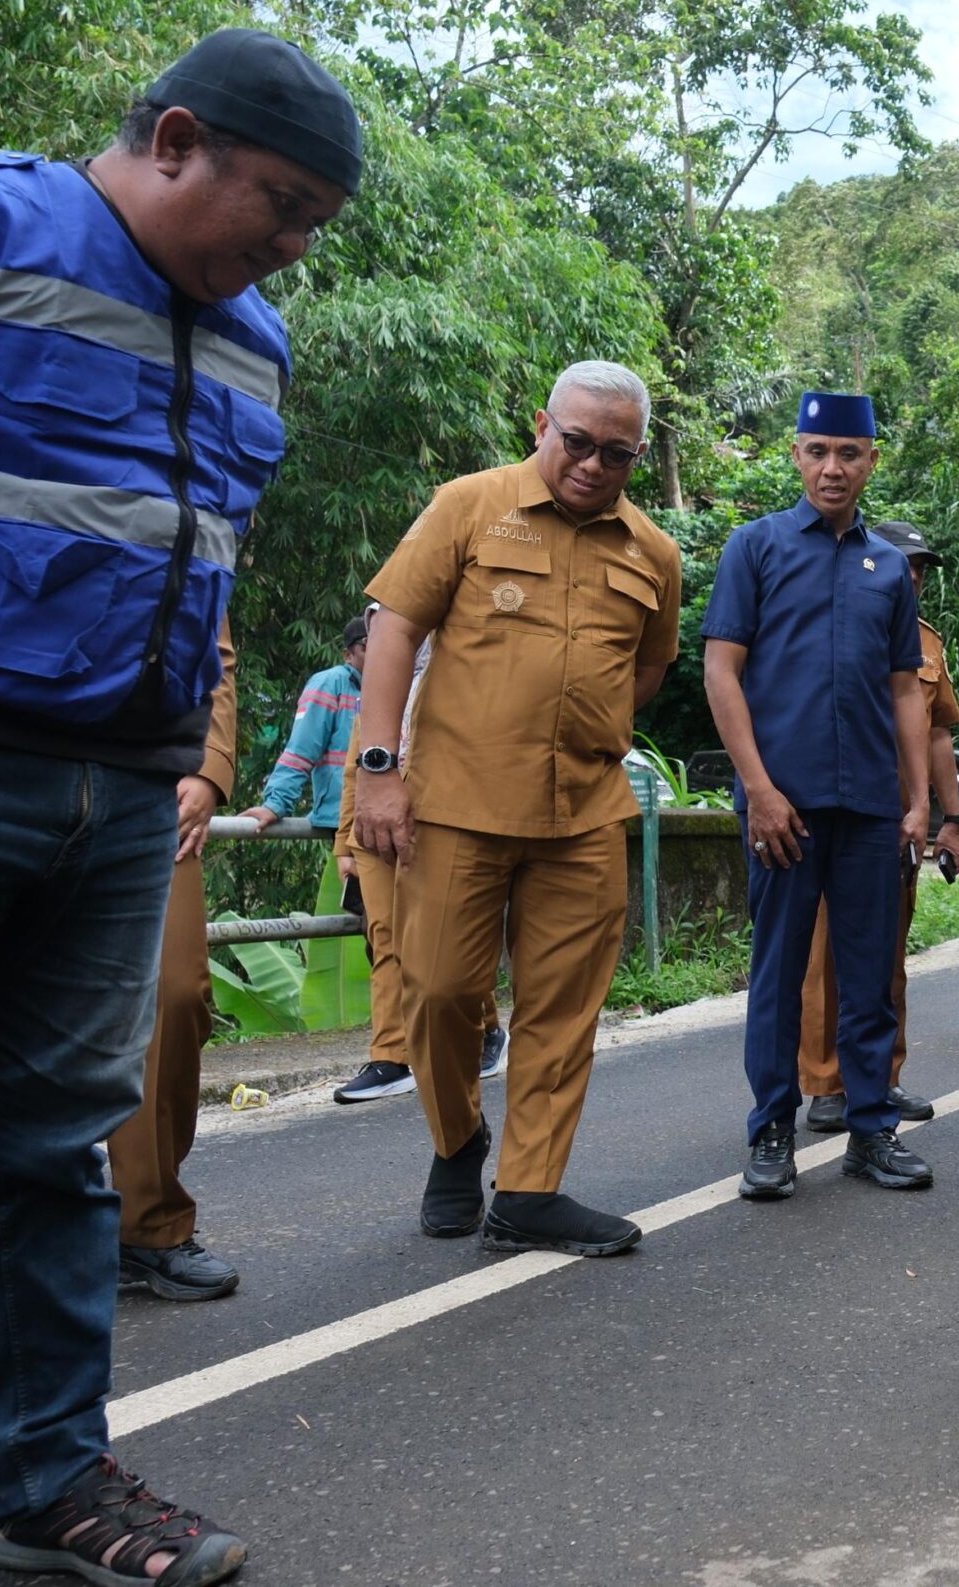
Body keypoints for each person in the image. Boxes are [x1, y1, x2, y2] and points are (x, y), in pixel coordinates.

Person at [0, 27, 357, 1586]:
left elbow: (194, 558)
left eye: (316, 226)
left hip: (117, 796)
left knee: (51, 1151)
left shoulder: (257, 342)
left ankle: (45, 1478)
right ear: (173, 140)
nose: (293, 248)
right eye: (281, 205)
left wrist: (184, 756)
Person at [353, 360, 684, 1256]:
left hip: (584, 813)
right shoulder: (469, 505)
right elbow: (394, 627)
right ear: (543, 425)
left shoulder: (653, 552)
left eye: (616, 453)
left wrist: (582, 718)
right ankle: (458, 1139)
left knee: (563, 1009)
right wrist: (378, 768)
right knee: (437, 991)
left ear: (637, 455)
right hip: (456, 802)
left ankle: (529, 1192)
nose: (592, 463)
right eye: (576, 441)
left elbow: (649, 667)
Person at [705, 391, 934, 1202]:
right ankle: (772, 1128)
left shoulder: (888, 568)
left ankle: (871, 1129)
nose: (832, 468)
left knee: (870, 972)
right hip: (785, 808)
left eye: (849, 453)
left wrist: (917, 798)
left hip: (870, 806)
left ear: (872, 461)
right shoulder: (755, 547)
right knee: (779, 973)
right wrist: (759, 788)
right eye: (818, 451)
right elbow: (721, 671)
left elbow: (905, 690)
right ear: (797, 455)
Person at [798, 519, 959, 1133]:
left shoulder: (927, 643)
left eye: (920, 570)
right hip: (839, 812)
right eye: (905, 565)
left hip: (900, 824)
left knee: (887, 957)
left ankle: (881, 1076)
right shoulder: (835, 623)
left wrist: (951, 819)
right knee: (827, 956)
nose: (913, 578)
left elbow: (940, 734)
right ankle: (826, 1083)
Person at [110, 634, 242, 1306]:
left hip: (148, 779)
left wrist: (209, 768)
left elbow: (212, 654)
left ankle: (147, 1225)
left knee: (175, 994)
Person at [333, 611, 507, 1104]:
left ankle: (487, 1029)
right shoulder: (377, 691)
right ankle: (390, 1056)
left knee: (445, 940)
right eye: (375, 628)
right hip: (373, 827)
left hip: (436, 821)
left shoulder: (458, 676)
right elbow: (356, 770)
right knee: (385, 936)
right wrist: (345, 843)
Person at [240, 613, 365, 831]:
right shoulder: (331, 683)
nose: (379, 653)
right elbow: (302, 748)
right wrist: (276, 803)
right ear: (348, 655)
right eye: (367, 646)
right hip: (343, 820)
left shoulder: (398, 687)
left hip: (388, 816)